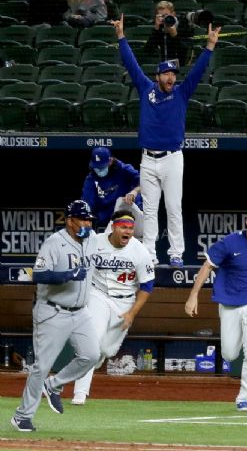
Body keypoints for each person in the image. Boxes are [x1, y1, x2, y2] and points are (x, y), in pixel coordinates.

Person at [113, 13, 220, 268]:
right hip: (148, 158)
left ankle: (175, 254)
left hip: (172, 158)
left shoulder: (181, 92)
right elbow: (131, 64)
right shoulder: (147, 89)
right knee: (150, 211)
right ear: (159, 76)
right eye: (167, 74)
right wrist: (121, 37)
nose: (171, 77)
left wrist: (210, 47)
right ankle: (150, 254)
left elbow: (197, 71)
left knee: (173, 208)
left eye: (173, 73)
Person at [185, 203, 247, 412]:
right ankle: (242, 338)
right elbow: (207, 265)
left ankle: (243, 397)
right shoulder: (231, 242)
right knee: (230, 354)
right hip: (230, 303)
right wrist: (193, 295)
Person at [10, 200, 98, 432]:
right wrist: (67, 274)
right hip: (52, 311)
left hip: (80, 312)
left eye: (89, 220)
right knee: (42, 366)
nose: (87, 224)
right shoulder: (55, 242)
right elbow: (38, 274)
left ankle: (54, 385)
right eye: (82, 219)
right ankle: (22, 416)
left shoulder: (93, 240)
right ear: (70, 221)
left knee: (91, 355)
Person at [71, 211, 155, 405]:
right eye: (124, 227)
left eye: (131, 228)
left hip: (124, 302)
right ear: (114, 227)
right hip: (97, 295)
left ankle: (97, 357)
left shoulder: (140, 251)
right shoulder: (95, 242)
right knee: (93, 338)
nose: (128, 231)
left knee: (107, 350)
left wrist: (132, 313)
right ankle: (80, 393)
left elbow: (147, 286)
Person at [81, 146, 144, 239]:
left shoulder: (124, 169)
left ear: (110, 161)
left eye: (102, 167)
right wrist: (84, 224)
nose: (99, 170)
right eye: (96, 167)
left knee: (121, 201)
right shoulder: (91, 179)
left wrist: (135, 191)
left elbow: (145, 183)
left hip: (132, 217)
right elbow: (87, 205)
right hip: (109, 221)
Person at [144, 1, 194, 66]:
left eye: (166, 16)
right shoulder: (158, 29)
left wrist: (175, 35)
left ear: (173, 14)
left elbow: (185, 54)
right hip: (162, 68)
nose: (164, 19)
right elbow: (148, 51)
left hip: (180, 68)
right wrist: (156, 29)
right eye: (161, 16)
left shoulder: (183, 26)